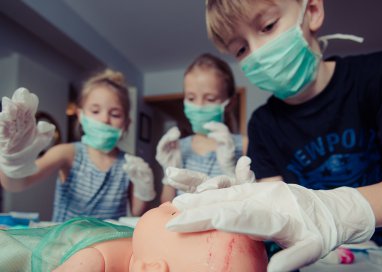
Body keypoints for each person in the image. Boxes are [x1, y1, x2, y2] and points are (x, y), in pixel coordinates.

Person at [164, 0, 382, 271]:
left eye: (268, 26)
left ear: (312, 11)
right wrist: (248, 204)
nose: (258, 52)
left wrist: (337, 211)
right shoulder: (262, 126)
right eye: (241, 49)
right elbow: (278, 215)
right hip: (318, 259)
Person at [0, 69, 156, 222]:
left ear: (127, 122)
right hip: (68, 245)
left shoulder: (130, 164)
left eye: (115, 114)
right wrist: (13, 160)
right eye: (95, 111)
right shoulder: (67, 153)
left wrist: (144, 190)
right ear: (80, 115)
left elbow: (136, 211)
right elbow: (17, 185)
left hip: (107, 245)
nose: (104, 119)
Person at [0, 202, 268, 272]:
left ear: (152, 269)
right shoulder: (140, 249)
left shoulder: (93, 262)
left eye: (174, 214)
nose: (174, 203)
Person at [156, 53, 247, 202]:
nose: (198, 106)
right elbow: (166, 205)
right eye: (191, 98)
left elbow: (251, 205)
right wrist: (168, 175)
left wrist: (230, 170)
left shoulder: (243, 145)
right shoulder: (179, 147)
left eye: (210, 99)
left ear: (230, 103)